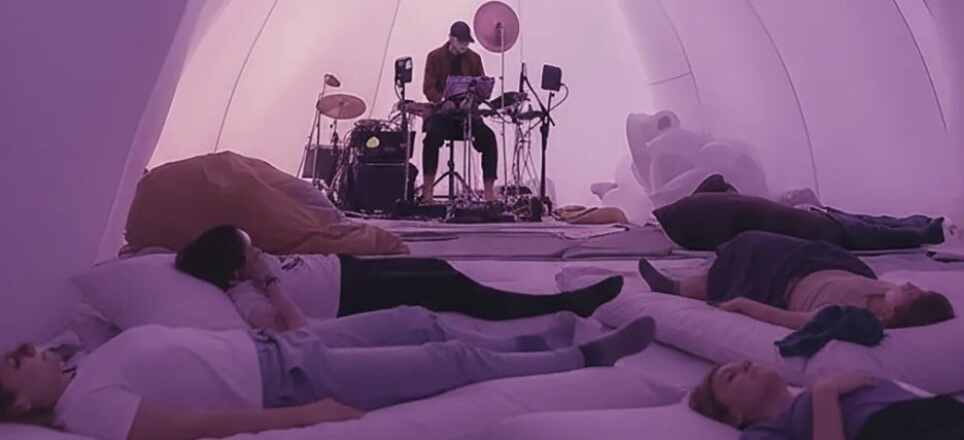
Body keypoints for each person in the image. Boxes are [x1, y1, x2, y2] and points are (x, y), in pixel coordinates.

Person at [0, 309, 657, 440]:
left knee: (417, 319)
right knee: (446, 362)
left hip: (281, 345)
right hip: (289, 382)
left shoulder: (81, 361)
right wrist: (299, 417)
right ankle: (582, 358)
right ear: (19, 407)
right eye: (11, 363)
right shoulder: (85, 408)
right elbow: (192, 425)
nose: (22, 349)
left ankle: (528, 340)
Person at [176, 225, 624, 331]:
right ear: (234, 270)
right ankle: (565, 305)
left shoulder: (248, 268)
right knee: (452, 291)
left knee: (440, 269)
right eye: (250, 250)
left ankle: (556, 303)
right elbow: (292, 329)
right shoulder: (246, 297)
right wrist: (267, 280)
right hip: (351, 296)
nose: (259, 251)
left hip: (349, 269)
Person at [637, 230, 954, 329]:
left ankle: (677, 288)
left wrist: (743, 305)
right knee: (768, 241)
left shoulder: (847, 318)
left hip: (785, 283)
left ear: (896, 313)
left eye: (913, 293)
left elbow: (789, 320)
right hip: (825, 262)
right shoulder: (888, 290)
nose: (909, 285)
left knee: (749, 246)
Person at [653, 174, 948, 251]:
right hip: (809, 220)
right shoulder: (695, 208)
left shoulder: (695, 227)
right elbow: (717, 179)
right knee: (872, 226)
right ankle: (923, 228)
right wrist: (733, 193)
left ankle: (923, 230)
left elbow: (730, 245)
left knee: (872, 230)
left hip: (812, 227)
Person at [689, 360, 964, 439]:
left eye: (743, 363)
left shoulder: (806, 393)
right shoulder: (764, 432)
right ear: (732, 416)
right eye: (731, 376)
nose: (745, 365)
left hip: (939, 413)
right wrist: (825, 393)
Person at [421, 20, 498, 202]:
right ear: (451, 39)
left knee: (489, 138)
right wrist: (442, 100)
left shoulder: (474, 59)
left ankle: (489, 193)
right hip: (443, 115)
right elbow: (428, 88)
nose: (464, 45)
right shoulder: (434, 57)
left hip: (467, 115)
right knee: (431, 137)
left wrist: (473, 99)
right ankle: (427, 191)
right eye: (461, 41)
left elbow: (480, 86)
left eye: (466, 42)